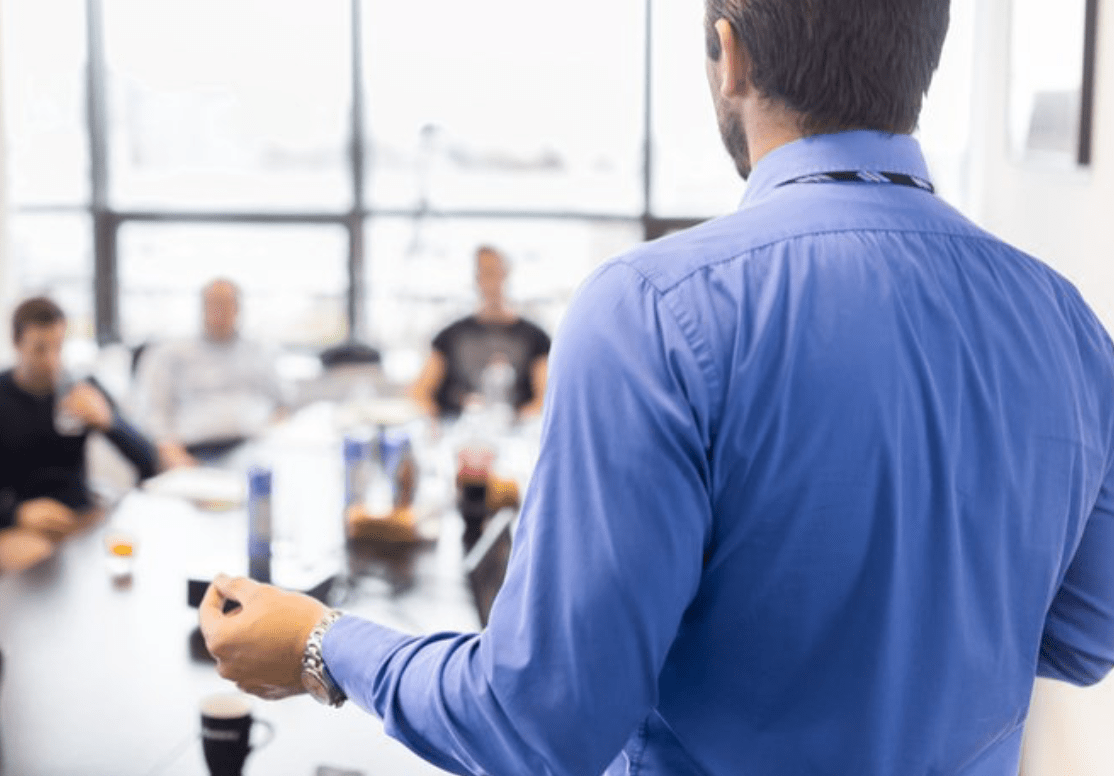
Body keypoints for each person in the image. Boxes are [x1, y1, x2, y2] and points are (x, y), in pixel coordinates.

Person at [200, 1, 1114, 773]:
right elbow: (1085, 633)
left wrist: (322, 645)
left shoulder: (655, 308)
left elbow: (539, 727)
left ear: (730, 55)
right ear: (924, 58)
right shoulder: (1068, 321)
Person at [0, 297, 159, 573]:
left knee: (142, 549)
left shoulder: (81, 388)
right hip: (20, 523)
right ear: (17, 343)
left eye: (59, 347)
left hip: (81, 518)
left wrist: (110, 423)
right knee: (39, 561)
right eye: (40, 349)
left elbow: (149, 461)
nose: (53, 360)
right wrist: (16, 514)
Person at [135, 278, 288, 468]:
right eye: (214, 303)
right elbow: (154, 413)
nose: (220, 311)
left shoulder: (258, 351)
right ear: (202, 307)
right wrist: (174, 455)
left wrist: (274, 438)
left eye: (227, 304)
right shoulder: (171, 352)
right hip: (195, 452)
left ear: (238, 308)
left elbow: (282, 405)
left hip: (254, 447)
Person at [408, 245, 550, 419]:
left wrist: (516, 423)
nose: (490, 281)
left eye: (494, 272)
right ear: (476, 278)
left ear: (506, 274)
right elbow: (420, 392)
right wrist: (435, 423)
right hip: (460, 435)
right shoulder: (450, 335)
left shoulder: (535, 337)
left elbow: (545, 398)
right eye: (484, 273)